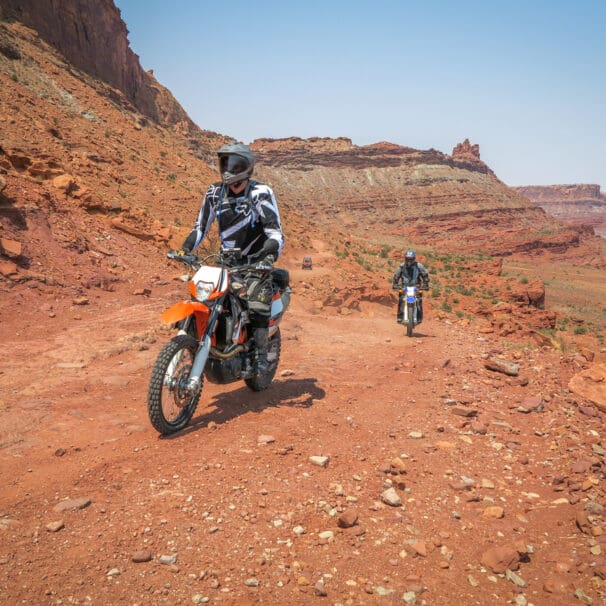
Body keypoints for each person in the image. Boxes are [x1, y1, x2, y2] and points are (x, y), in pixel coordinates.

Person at [176, 142, 284, 374]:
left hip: (255, 262)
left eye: (233, 163)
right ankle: (199, 344)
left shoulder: (260, 193)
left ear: (246, 166)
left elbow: (274, 233)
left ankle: (259, 356)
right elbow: (200, 228)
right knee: (203, 296)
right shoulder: (215, 193)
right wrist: (185, 249)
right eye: (224, 162)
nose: (227, 168)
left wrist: (267, 256)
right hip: (226, 263)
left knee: (256, 301)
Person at [392, 249, 430, 324]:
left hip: (416, 286)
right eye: (407, 259)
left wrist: (426, 284)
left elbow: (425, 275)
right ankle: (400, 317)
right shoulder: (402, 266)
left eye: (411, 259)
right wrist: (395, 284)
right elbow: (396, 275)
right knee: (402, 300)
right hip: (404, 287)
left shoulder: (419, 266)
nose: (409, 261)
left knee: (418, 301)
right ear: (405, 258)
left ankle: (419, 317)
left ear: (414, 259)